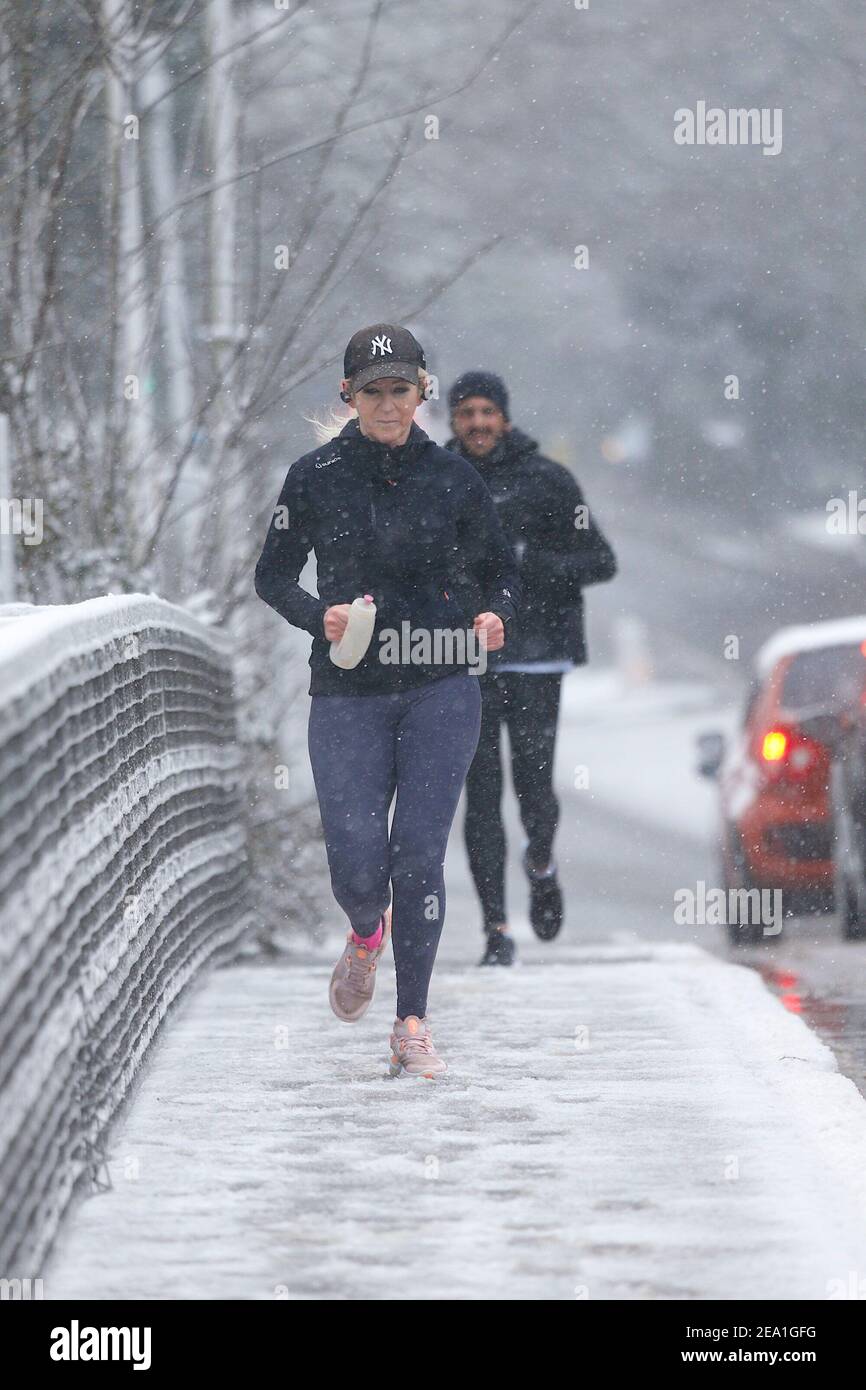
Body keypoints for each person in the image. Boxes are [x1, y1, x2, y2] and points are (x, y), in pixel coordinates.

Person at [254, 327, 521, 1075]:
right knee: (356, 864)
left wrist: (495, 614)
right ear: (349, 396)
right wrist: (321, 616)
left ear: (421, 393)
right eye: (372, 390)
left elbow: (502, 569)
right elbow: (271, 577)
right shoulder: (314, 476)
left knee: (419, 857)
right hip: (348, 690)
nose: (387, 403)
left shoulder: (455, 480)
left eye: (400, 389)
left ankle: (412, 1022)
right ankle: (365, 931)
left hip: (442, 681)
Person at [446, 370, 617, 966]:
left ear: (505, 419)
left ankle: (541, 862)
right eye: (466, 413)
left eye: (486, 412)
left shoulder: (548, 480)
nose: (476, 424)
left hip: (539, 658)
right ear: (452, 420)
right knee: (481, 792)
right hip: (466, 659)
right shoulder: (438, 481)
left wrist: (532, 564)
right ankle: (496, 929)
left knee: (533, 788)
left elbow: (601, 560)